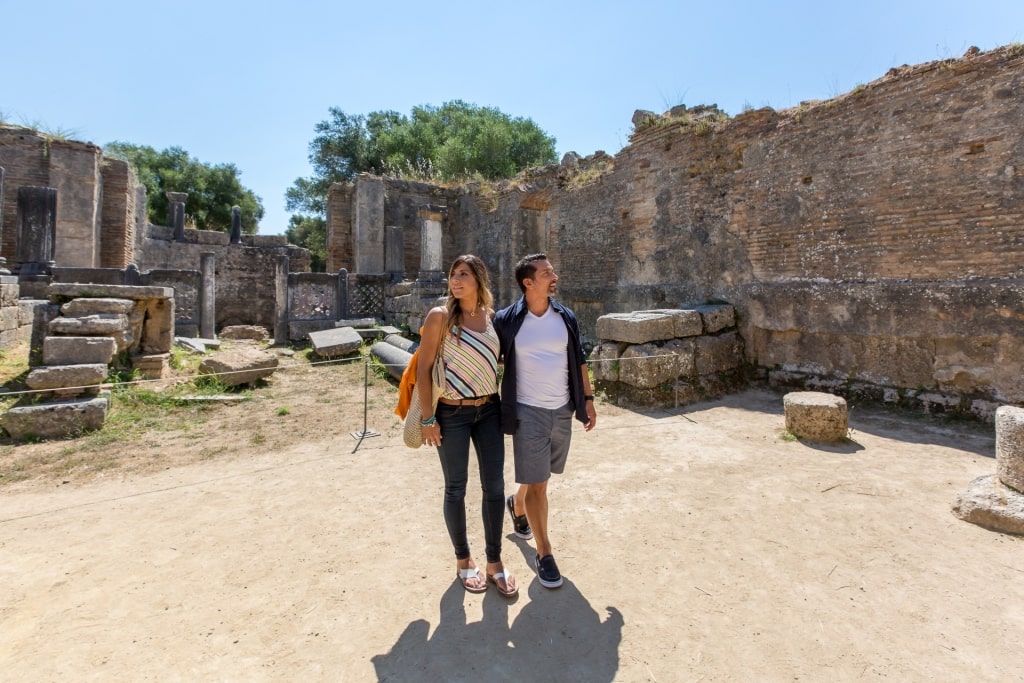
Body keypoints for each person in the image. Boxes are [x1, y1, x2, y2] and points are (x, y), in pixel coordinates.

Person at [417, 255, 517, 597]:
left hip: (489, 409)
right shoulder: (440, 317)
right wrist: (428, 418)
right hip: (451, 414)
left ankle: (495, 562)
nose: (456, 280)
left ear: (479, 279)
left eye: (464, 274)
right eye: (453, 274)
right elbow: (423, 368)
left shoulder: (491, 318)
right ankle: (463, 560)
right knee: (455, 488)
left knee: (495, 488)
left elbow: (499, 358)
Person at [494, 253, 596, 589]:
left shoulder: (565, 316)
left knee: (542, 478)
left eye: (553, 270)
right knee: (539, 483)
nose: (554, 276)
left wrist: (589, 399)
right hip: (526, 411)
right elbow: (487, 355)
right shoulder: (508, 320)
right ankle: (545, 553)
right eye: (547, 273)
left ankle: (518, 502)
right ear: (528, 282)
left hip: (562, 409)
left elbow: (578, 358)